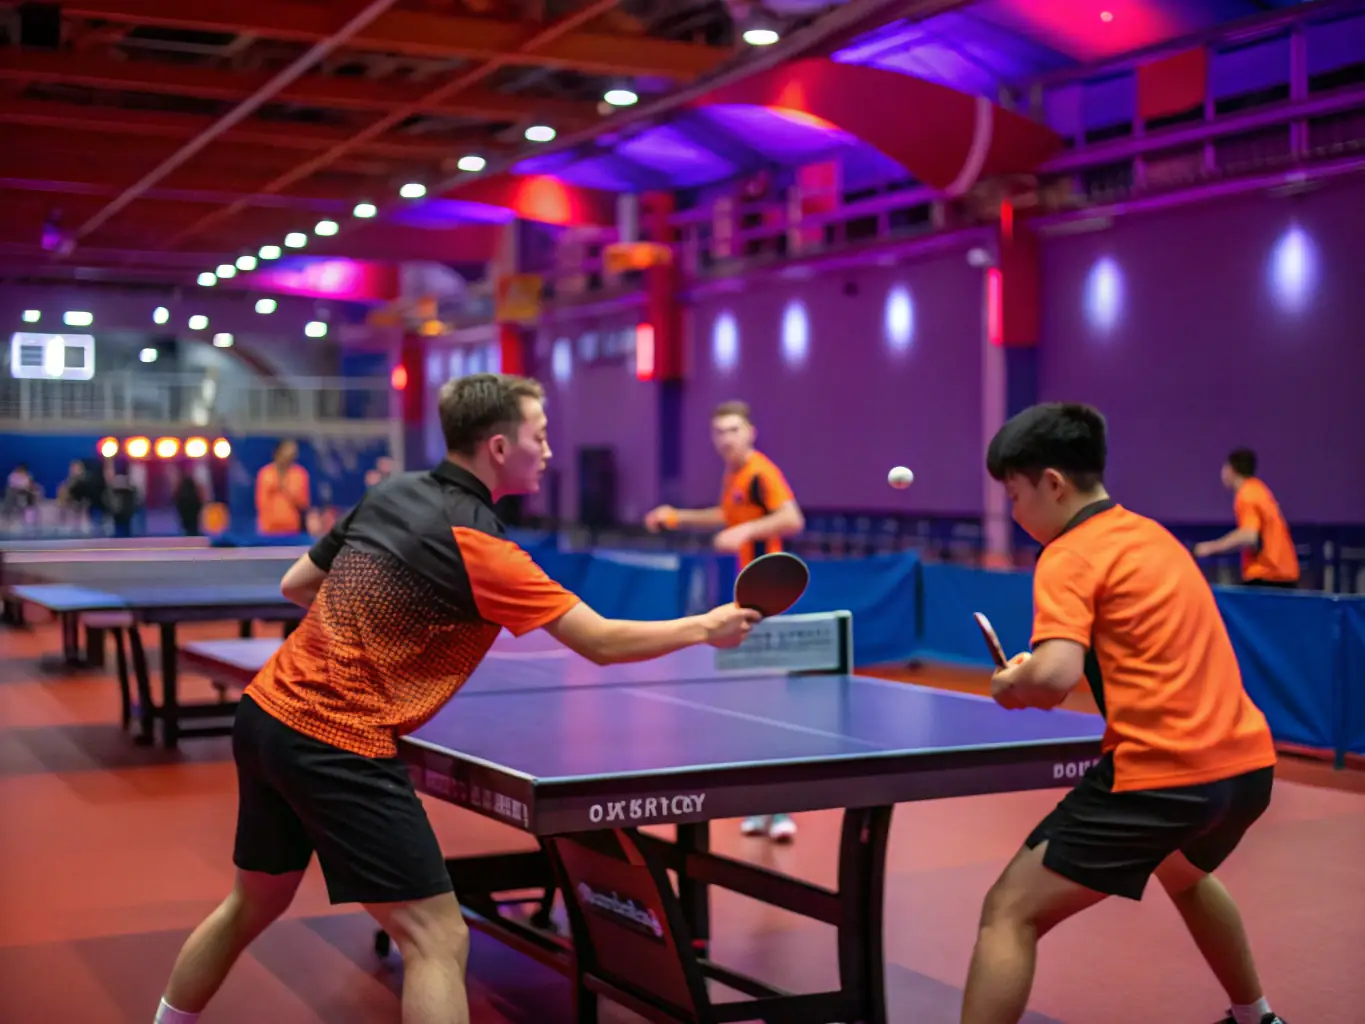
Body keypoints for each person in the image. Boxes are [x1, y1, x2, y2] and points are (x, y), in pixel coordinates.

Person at [152, 374, 759, 1024]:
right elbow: (602, 641)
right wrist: (706, 626)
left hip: (266, 714)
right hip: (337, 741)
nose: (549, 451)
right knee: (437, 938)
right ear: (499, 447)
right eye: (540, 436)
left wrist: (379, 635)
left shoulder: (391, 492)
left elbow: (297, 583)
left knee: (250, 904)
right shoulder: (484, 552)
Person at [962, 403, 1285, 1024]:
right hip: (1246, 768)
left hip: (1163, 774)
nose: (1015, 510)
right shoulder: (1152, 536)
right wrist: (1039, 667)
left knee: (1009, 911)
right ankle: (1258, 1018)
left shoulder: (1068, 552)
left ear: (1052, 483)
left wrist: (1012, 684)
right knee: (1183, 874)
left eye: (1015, 493)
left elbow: (1054, 678)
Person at [642, 399, 805, 842]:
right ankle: (760, 807)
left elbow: (791, 518)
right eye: (719, 432)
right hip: (745, 601)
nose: (726, 439)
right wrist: (677, 517)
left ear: (750, 432)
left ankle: (784, 811)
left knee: (774, 709)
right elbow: (726, 516)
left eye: (734, 429)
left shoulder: (761, 471)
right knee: (752, 707)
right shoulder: (734, 476)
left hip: (772, 601)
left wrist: (746, 532)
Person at [1193, 448, 1299, 589]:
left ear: (1231, 470)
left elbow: (1249, 536)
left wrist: (1210, 548)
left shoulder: (1246, 495)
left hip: (1266, 576)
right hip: (1284, 574)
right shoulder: (1260, 489)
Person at [254, 439, 310, 536]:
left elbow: (303, 503)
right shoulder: (265, 474)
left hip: (291, 530)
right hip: (269, 530)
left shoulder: (300, 474)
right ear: (278, 453)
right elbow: (260, 502)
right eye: (286, 452)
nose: (288, 456)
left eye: (292, 453)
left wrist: (286, 489)